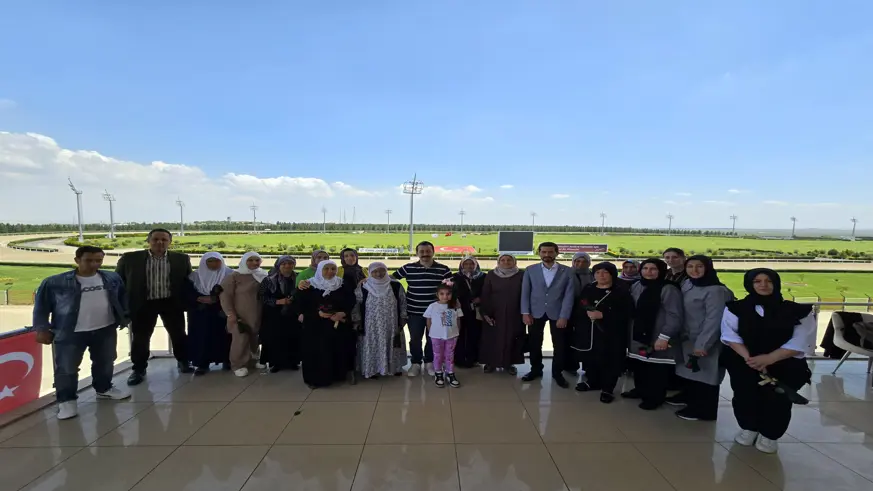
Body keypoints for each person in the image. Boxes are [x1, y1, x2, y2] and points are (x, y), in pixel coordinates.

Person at [721, 269, 815, 454]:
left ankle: (770, 435)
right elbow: (730, 335)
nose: (763, 285)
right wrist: (750, 359)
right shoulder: (735, 308)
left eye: (768, 281)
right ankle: (749, 427)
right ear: (750, 284)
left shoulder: (798, 311)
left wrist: (770, 358)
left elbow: (801, 340)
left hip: (784, 363)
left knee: (777, 400)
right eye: (757, 281)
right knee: (744, 395)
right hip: (745, 362)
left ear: (776, 283)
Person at [33, 246, 131, 420]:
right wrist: (41, 328)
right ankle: (66, 401)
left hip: (105, 329)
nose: (94, 264)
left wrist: (125, 317)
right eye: (88, 260)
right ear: (77, 260)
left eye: (98, 260)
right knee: (67, 368)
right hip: (70, 332)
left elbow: (122, 297)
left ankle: (104, 388)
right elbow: (41, 307)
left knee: (105, 361)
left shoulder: (112, 278)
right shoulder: (55, 282)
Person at [116, 228, 193, 385]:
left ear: (170, 242)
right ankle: (138, 368)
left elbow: (188, 282)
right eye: (156, 239)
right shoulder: (130, 259)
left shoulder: (181, 259)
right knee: (140, 337)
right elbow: (118, 282)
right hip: (143, 304)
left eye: (164, 240)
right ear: (149, 241)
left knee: (178, 334)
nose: (160, 242)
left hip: (171, 303)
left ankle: (183, 361)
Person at [671, 255, 734, 421]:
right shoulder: (688, 284)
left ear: (708, 268)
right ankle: (690, 400)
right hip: (687, 338)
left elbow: (714, 320)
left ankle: (704, 411)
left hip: (706, 340)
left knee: (706, 375)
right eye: (690, 266)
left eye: (699, 266)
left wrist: (703, 344)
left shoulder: (717, 291)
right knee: (690, 372)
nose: (694, 270)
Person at [623, 259, 684, 409]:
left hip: (658, 335)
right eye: (645, 268)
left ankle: (654, 398)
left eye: (653, 269)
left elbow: (674, 315)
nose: (648, 272)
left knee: (656, 369)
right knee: (640, 364)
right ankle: (640, 390)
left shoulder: (668, 289)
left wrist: (664, 337)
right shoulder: (637, 285)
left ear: (661, 271)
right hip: (638, 334)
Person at [572, 262, 634, 403]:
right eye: (598, 272)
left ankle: (607, 389)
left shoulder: (621, 291)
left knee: (610, 361)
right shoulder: (589, 288)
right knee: (591, 359)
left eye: (605, 272)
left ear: (612, 274)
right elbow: (580, 305)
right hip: (590, 332)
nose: (601, 275)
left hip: (611, 334)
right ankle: (593, 382)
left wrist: (604, 315)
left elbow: (627, 313)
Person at [393, 241, 452, 377]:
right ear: (417, 253)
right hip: (414, 311)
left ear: (433, 252)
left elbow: (452, 288)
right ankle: (415, 363)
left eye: (428, 251)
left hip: (436, 313)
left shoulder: (443, 269)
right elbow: (390, 278)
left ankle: (430, 362)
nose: (425, 254)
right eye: (422, 252)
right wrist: (367, 280)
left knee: (433, 338)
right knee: (415, 339)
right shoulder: (408, 268)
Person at [520, 242, 575, 388]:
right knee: (534, 343)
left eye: (550, 252)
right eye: (544, 252)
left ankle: (557, 373)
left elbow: (569, 295)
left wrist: (564, 316)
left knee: (560, 344)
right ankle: (535, 370)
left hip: (557, 313)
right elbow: (525, 293)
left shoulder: (567, 271)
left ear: (556, 253)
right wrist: (525, 312)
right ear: (539, 253)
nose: (547, 255)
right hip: (535, 312)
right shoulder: (530, 270)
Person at [295, 260, 356, 388]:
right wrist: (317, 314)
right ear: (320, 270)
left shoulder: (342, 284)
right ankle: (315, 380)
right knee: (317, 352)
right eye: (326, 269)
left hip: (337, 324)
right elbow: (299, 306)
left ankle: (337, 376)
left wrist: (343, 313)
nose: (330, 272)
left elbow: (351, 301)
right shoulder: (308, 285)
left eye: (333, 269)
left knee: (338, 350)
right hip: (315, 327)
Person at [219, 252, 267, 377]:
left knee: (254, 337)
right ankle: (238, 365)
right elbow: (225, 296)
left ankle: (254, 360)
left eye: (257, 260)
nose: (254, 263)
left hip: (257, 312)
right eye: (250, 260)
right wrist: (230, 313)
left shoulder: (263, 275)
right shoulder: (234, 276)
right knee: (240, 339)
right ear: (244, 261)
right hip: (240, 314)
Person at [184, 252, 233, 375]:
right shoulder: (194, 276)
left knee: (225, 336)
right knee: (201, 336)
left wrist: (216, 298)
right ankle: (202, 363)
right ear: (204, 262)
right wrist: (199, 298)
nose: (214, 264)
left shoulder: (229, 274)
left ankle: (227, 360)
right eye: (210, 261)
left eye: (217, 261)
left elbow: (233, 292)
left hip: (221, 310)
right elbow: (186, 292)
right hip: (200, 311)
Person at [359, 262, 408, 379]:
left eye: (382, 270)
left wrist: (403, 317)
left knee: (393, 343)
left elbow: (403, 302)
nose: (379, 274)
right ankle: (373, 369)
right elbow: (357, 304)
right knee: (373, 344)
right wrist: (357, 321)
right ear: (370, 273)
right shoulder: (364, 286)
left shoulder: (395, 285)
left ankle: (394, 368)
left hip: (392, 322)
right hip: (371, 324)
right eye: (375, 271)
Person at [479, 253, 525, 375]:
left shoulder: (521, 275)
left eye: (509, 260)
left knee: (512, 338)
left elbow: (525, 294)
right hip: (494, 312)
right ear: (498, 262)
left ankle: (509, 363)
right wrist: (486, 313)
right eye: (502, 260)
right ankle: (490, 362)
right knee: (492, 338)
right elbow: (486, 294)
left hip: (514, 312)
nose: (506, 262)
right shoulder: (491, 275)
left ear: (514, 262)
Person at [259, 255, 300, 373]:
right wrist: (278, 301)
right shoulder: (269, 279)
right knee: (275, 339)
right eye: (284, 264)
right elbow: (261, 297)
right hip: (274, 315)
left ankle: (292, 362)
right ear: (278, 265)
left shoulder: (298, 277)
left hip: (292, 315)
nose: (287, 266)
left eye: (290, 264)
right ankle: (275, 363)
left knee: (292, 338)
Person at [424, 281, 464, 388]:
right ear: (437, 295)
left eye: (448, 294)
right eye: (442, 294)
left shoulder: (455, 306)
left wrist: (457, 333)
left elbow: (458, 320)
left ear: (452, 294)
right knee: (438, 355)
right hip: (436, 336)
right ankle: (438, 373)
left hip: (452, 336)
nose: (445, 296)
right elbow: (429, 321)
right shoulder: (432, 306)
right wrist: (431, 332)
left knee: (450, 355)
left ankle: (450, 373)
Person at [452, 256, 485, 368]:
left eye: (471, 264)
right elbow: (452, 292)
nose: (469, 266)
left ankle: (473, 359)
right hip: (460, 310)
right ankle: (459, 359)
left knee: (474, 334)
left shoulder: (483, 277)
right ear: (462, 265)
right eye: (466, 264)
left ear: (475, 265)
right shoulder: (456, 277)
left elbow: (488, 291)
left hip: (476, 311)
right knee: (459, 334)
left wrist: (480, 298)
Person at [566, 252, 594, 374]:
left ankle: (588, 367)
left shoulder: (593, 275)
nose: (580, 264)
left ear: (589, 263)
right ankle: (571, 366)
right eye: (577, 261)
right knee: (569, 339)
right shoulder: (567, 274)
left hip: (588, 312)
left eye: (584, 262)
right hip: (570, 310)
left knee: (587, 339)